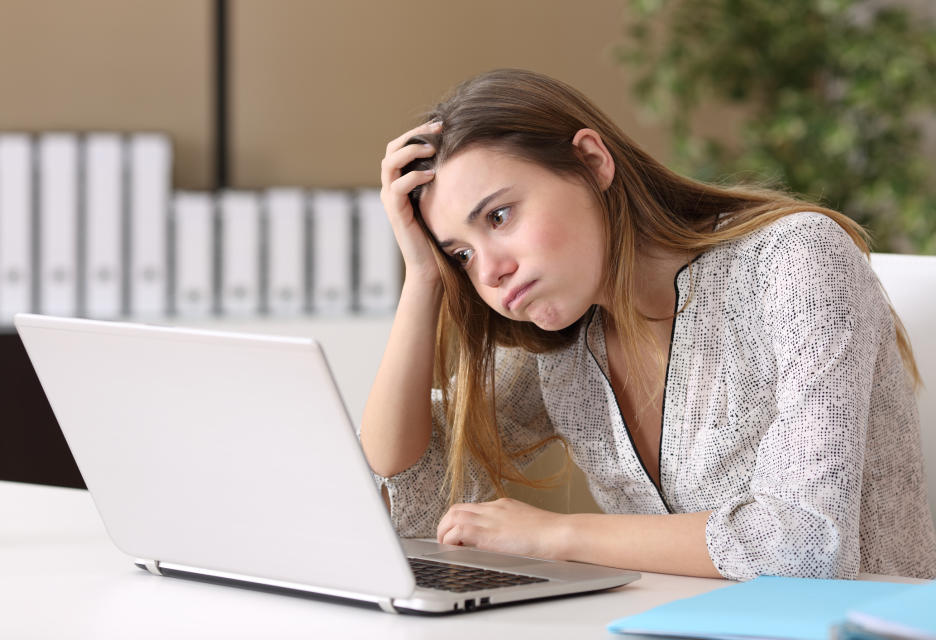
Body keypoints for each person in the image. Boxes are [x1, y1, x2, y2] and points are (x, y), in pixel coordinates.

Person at [358, 68, 936, 581]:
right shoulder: (566, 341)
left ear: (592, 161)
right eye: (460, 253)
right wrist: (423, 276)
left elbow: (808, 542)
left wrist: (558, 536)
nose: (491, 270)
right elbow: (413, 481)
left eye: (500, 216)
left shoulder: (792, 260)